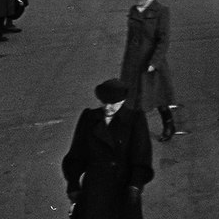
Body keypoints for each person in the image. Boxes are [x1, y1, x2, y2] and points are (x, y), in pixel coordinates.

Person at [61, 79, 154, 218]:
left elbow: (141, 155)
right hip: (94, 190)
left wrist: (135, 184)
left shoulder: (135, 119)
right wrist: (73, 183)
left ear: (122, 101)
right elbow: (77, 154)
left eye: (113, 103)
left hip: (123, 190)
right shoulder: (89, 118)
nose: (108, 107)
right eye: (104, 102)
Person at [120, 0, 177, 142]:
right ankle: (135, 132)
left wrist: (154, 62)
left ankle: (168, 125)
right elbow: (131, 39)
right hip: (132, 63)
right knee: (134, 98)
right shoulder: (133, 11)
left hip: (150, 63)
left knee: (158, 97)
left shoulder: (161, 12)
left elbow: (163, 40)